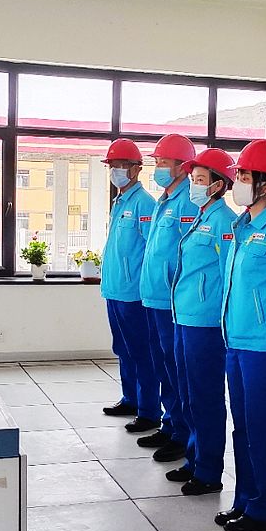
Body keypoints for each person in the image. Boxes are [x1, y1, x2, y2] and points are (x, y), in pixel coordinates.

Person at [217, 140, 266, 531]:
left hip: (263, 347)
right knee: (243, 426)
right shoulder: (242, 225)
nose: (239, 182)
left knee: (262, 429)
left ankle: (264, 507)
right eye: (239, 175)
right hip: (236, 340)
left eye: (245, 176)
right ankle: (244, 499)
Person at [167, 148, 238, 495]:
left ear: (218, 185)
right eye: (193, 179)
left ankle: (209, 470)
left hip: (206, 323)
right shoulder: (202, 215)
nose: (193, 185)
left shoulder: (224, 221)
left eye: (199, 180)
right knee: (188, 393)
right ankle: (193, 459)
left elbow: (229, 276)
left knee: (205, 396)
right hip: (184, 317)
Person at [136, 134, 198, 464]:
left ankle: (182, 433)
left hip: (171, 300)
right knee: (162, 365)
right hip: (154, 297)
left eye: (163, 162)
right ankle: (170, 422)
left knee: (175, 370)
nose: (158, 168)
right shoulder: (165, 199)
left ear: (182, 167)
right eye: (157, 161)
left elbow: (188, 255)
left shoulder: (188, 202)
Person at [98, 139, 162, 435]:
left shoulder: (144, 203)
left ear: (136, 169)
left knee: (141, 351)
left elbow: (152, 250)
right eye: (112, 166)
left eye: (122, 165)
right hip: (115, 290)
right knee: (123, 348)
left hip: (135, 294)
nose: (116, 171)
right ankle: (131, 399)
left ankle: (149, 410)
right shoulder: (120, 201)